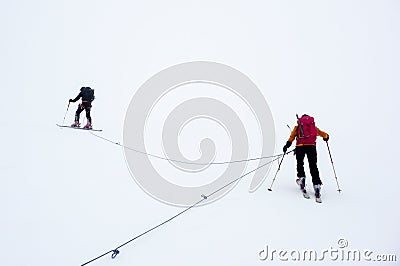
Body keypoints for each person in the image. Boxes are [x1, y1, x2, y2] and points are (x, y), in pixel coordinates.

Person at [283, 114, 329, 203]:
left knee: (300, 163)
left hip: (300, 147)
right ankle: (317, 185)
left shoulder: (298, 127)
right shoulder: (312, 127)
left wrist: (287, 145)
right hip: (311, 147)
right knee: (313, 166)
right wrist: (326, 136)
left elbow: (292, 137)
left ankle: (301, 179)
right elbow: (322, 134)